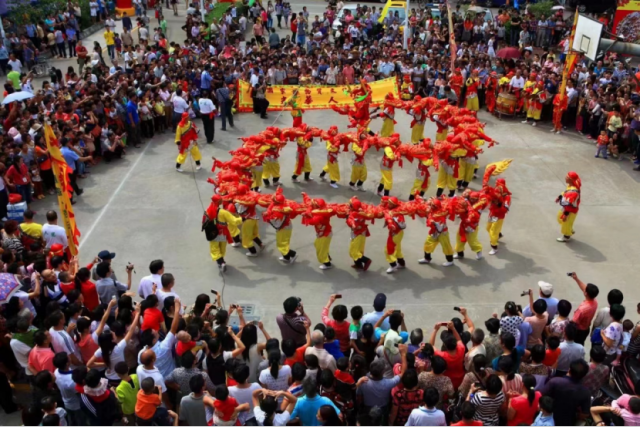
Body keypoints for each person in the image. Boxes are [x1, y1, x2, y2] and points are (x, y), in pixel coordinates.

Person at [569, 272, 599, 345]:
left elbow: (574, 321)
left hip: (578, 331)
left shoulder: (582, 309)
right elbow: (584, 288)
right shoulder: (595, 302)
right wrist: (576, 279)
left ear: (586, 293)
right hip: (586, 329)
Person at [556, 171, 581, 242]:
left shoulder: (573, 192)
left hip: (570, 210)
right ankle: (570, 229)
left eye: (567, 177)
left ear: (570, 179)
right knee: (559, 218)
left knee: (565, 223)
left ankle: (566, 236)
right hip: (566, 208)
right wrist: (560, 196)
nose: (565, 178)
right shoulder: (571, 186)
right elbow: (565, 192)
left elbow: (569, 205)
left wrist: (565, 215)